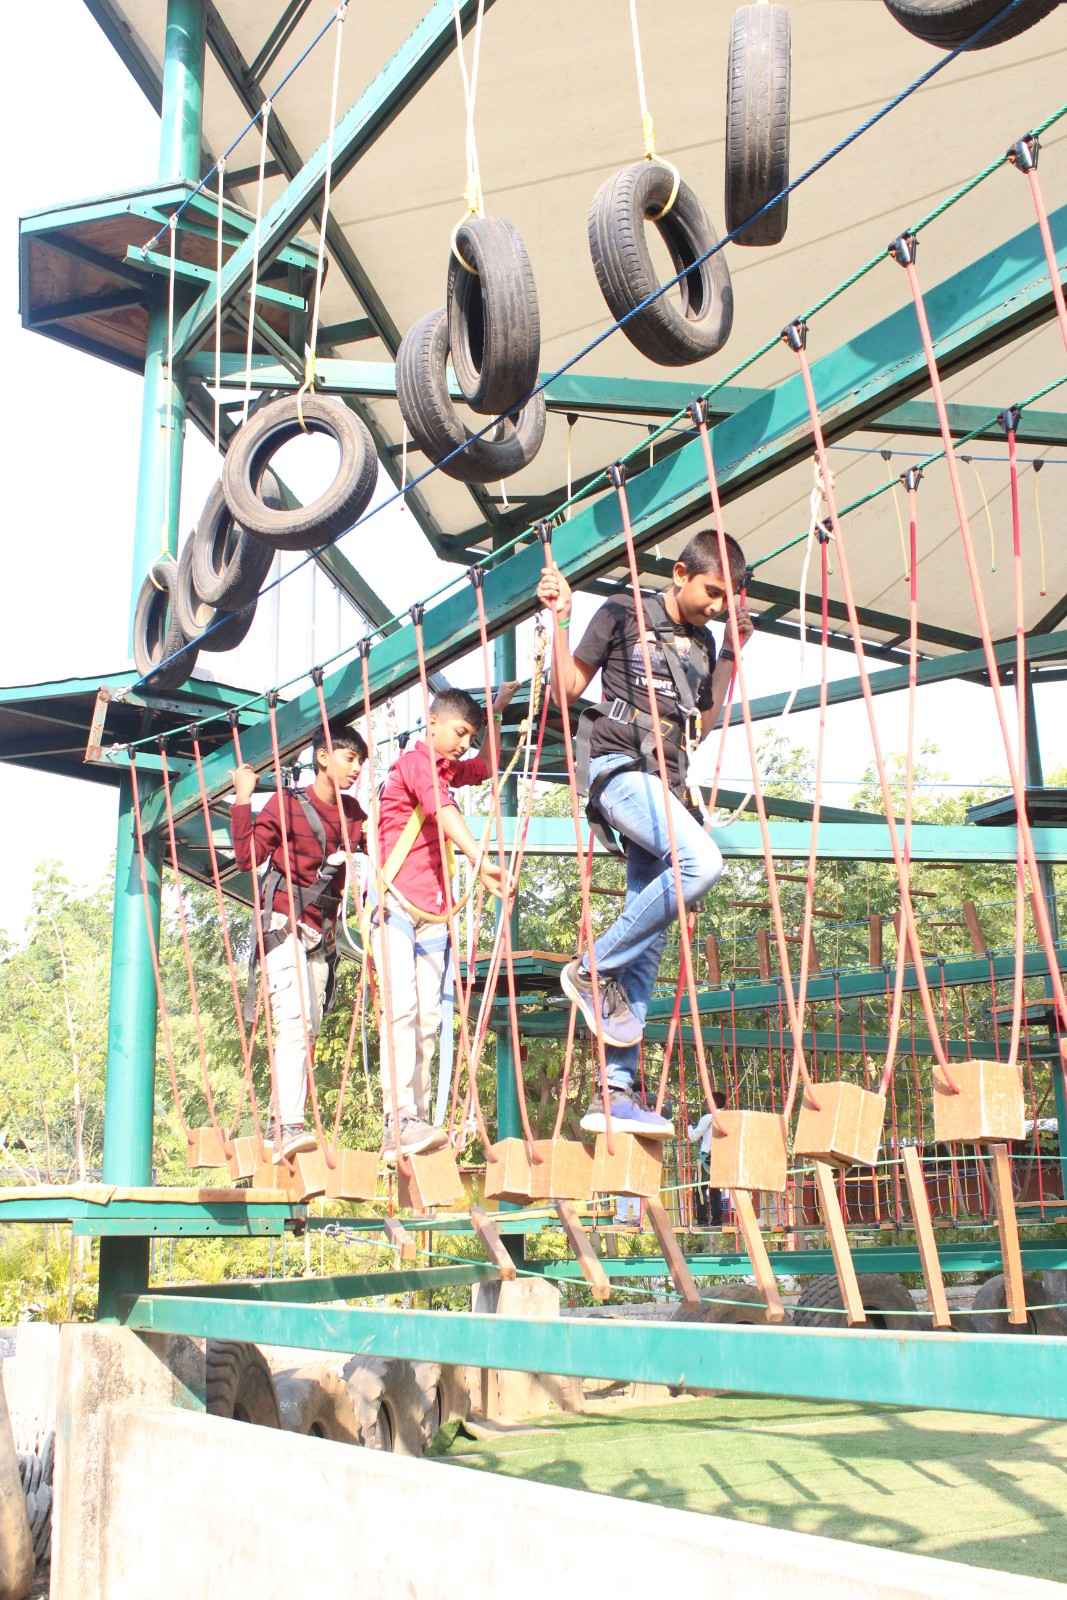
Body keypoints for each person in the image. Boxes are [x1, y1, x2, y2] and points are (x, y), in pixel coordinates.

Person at [537, 528, 752, 1139]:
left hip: (669, 785)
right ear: (681, 573)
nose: (716, 605)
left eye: (726, 598)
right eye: (712, 591)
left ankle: (617, 1091)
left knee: (649, 934)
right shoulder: (622, 613)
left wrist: (732, 652)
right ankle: (588, 968)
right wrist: (560, 618)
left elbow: (703, 724)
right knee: (702, 865)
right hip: (619, 769)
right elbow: (566, 690)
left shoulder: (706, 641)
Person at [372, 686, 512, 1159]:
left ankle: (417, 1118)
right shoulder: (414, 763)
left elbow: (487, 766)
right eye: (459, 732)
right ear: (431, 724)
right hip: (395, 901)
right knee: (403, 1010)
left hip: (432, 912)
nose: (463, 744)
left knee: (430, 1019)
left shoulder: (449, 768)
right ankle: (399, 1118)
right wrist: (480, 859)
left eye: (469, 736)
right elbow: (442, 807)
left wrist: (493, 717)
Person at [230, 721, 368, 1163]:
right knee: (292, 1020)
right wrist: (244, 797)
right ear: (324, 757)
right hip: (283, 924)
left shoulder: (352, 813)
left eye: (360, 762)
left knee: (308, 1025)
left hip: (319, 932)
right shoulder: (287, 806)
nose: (356, 770)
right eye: (350, 758)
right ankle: (289, 1123)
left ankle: (278, 1124)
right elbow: (247, 857)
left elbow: (382, 845)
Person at [689, 1090, 726, 1228]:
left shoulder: (708, 1118)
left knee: (700, 1189)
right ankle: (717, 1219)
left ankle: (702, 1220)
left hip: (706, 1156)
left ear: (713, 1103)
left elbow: (693, 1137)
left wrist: (688, 1126)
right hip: (720, 1156)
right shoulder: (727, 1117)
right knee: (715, 1189)